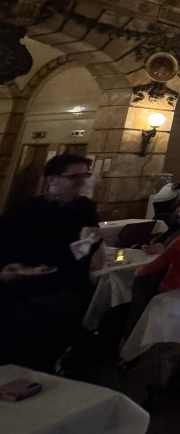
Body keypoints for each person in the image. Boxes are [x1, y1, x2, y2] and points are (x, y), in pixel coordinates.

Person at [0, 154, 103, 370]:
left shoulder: (85, 208)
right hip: (28, 294)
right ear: (52, 180)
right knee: (24, 356)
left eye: (85, 176)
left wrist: (93, 242)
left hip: (70, 291)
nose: (82, 182)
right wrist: (5, 272)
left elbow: (94, 260)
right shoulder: (25, 210)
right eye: (74, 177)